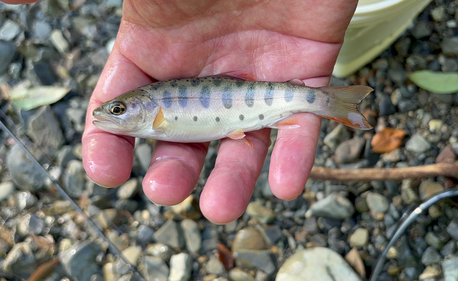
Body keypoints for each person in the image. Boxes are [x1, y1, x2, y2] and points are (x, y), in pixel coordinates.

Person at [3, 0, 358, 224]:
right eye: (117, 109)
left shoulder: (157, 119)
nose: (109, 113)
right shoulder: (152, 116)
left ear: (143, 107)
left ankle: (332, 101)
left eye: (118, 109)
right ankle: (336, 101)